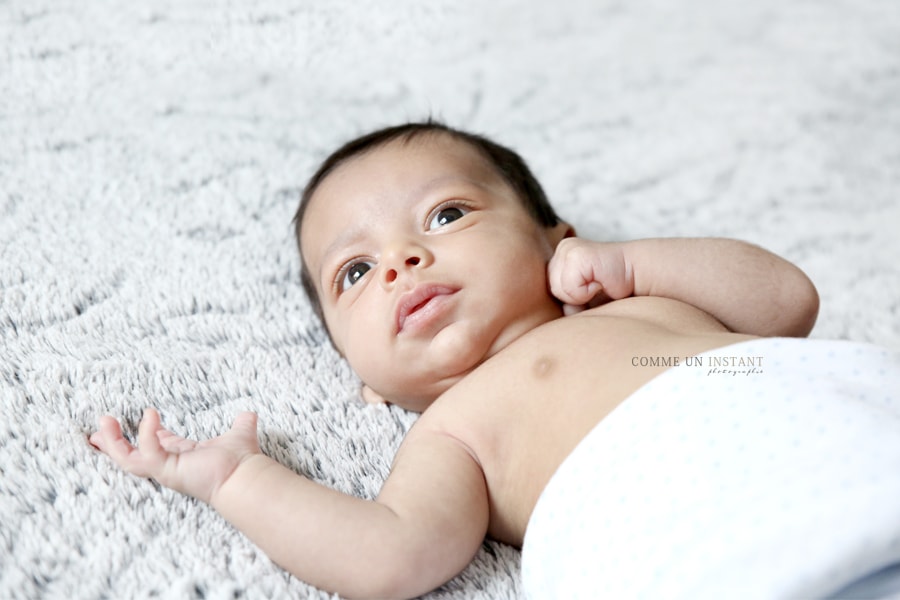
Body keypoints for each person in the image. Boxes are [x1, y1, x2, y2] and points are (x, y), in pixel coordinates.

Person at [93, 120, 879, 600]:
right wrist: (235, 479)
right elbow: (390, 555)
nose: (400, 258)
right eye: (355, 272)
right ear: (365, 380)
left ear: (555, 239)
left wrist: (634, 265)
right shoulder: (455, 434)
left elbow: (785, 303)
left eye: (446, 213)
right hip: (711, 563)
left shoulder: (637, 303)